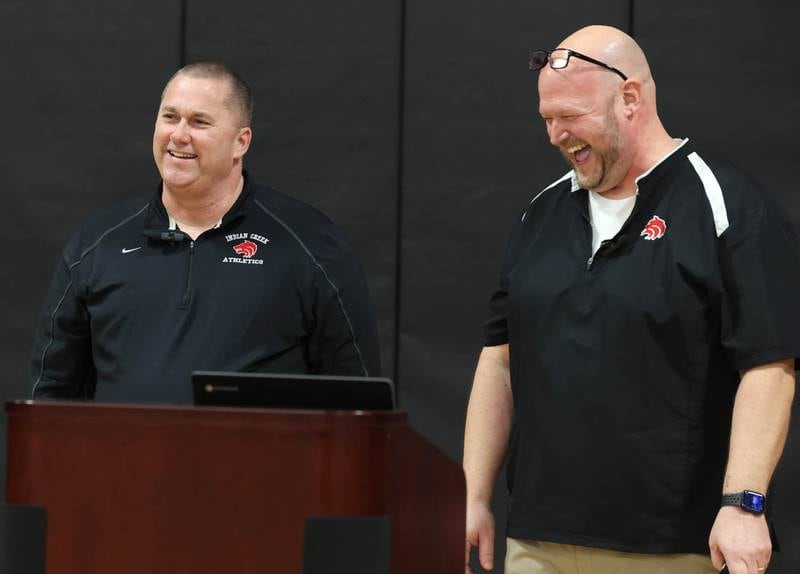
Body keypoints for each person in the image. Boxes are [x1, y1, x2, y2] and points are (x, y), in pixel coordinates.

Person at [464, 25, 799, 574]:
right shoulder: (540, 214)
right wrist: (475, 496)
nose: (554, 135)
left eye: (569, 116)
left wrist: (744, 504)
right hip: (538, 543)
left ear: (630, 98)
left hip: (671, 546)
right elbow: (499, 359)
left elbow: (769, 367)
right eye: (546, 119)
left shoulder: (725, 204)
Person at [31, 62, 381, 403]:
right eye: (170, 117)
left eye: (199, 122)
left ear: (240, 142)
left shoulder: (311, 245)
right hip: (123, 461)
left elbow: (356, 398)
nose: (179, 135)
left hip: (261, 461)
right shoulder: (97, 244)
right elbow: (52, 390)